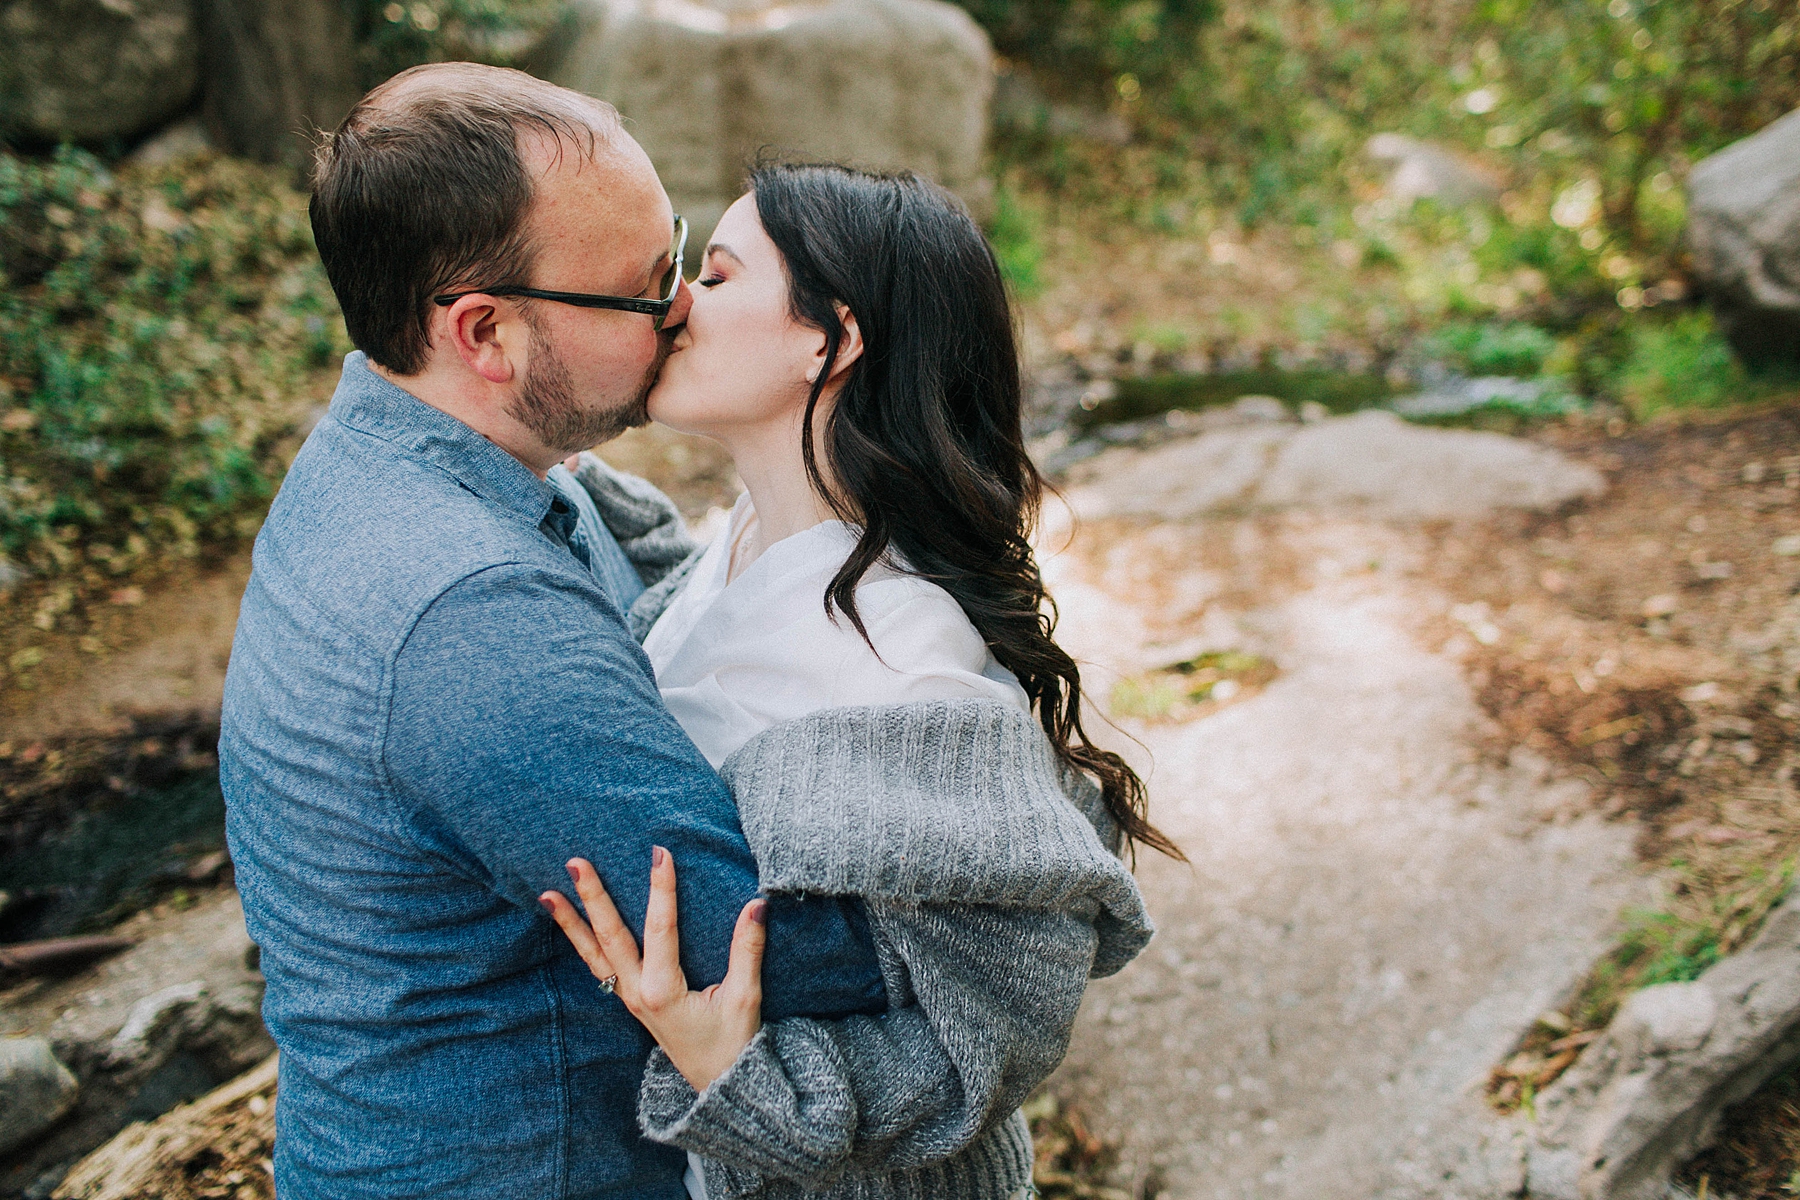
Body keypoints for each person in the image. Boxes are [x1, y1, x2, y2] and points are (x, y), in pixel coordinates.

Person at [219, 66, 899, 1199]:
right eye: (642, 292)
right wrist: (1006, 805)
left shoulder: (394, 456)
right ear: (486, 334)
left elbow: (657, 619)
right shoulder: (471, 617)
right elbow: (775, 948)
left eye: (677, 253)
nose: (680, 304)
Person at [540, 164, 1174, 1200]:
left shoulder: (901, 666)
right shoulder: (754, 538)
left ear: (828, 340)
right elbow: (696, 622)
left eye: (719, 272)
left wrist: (741, 1074)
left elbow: (1003, 1018)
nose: (677, 301)